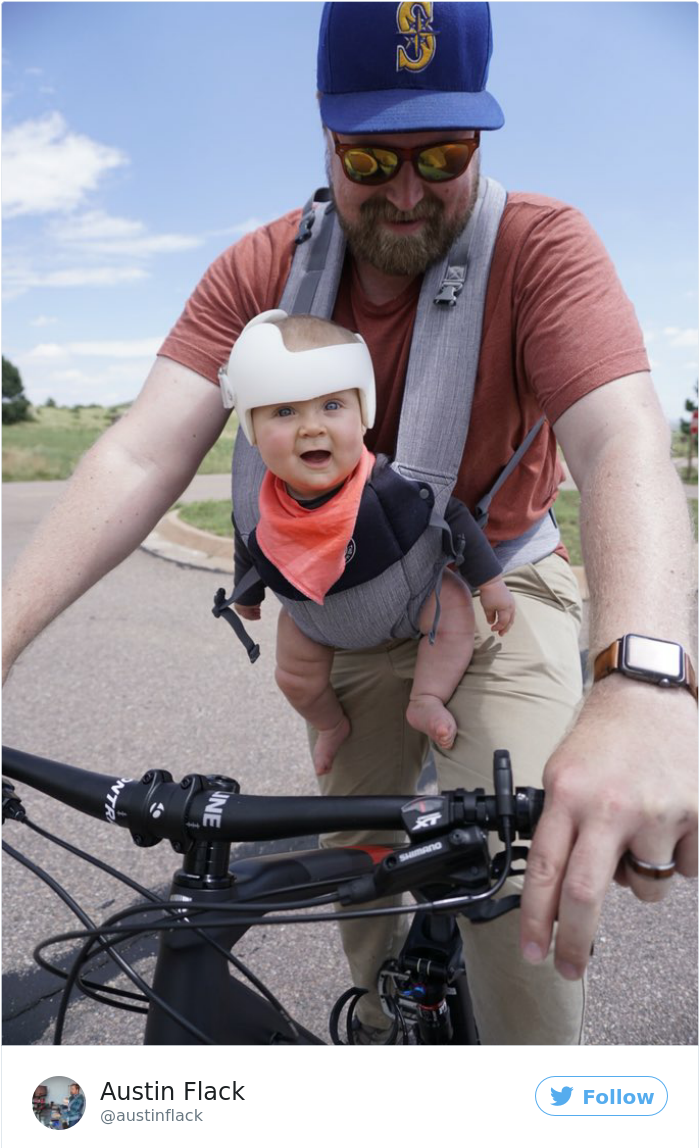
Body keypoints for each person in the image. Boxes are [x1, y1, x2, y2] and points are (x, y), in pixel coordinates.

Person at [2, 3, 696, 1044]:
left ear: (480, 137)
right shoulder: (259, 270)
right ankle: (378, 1032)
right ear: (325, 135)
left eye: (443, 151)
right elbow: (143, 451)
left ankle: (529, 1113)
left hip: (497, 584)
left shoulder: (544, 247)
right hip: (352, 598)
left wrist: (643, 680)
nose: (407, 189)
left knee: (512, 882)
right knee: (352, 858)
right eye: (371, 156)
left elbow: (620, 441)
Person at [225, 310, 515, 774]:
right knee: (294, 677)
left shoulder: (386, 487)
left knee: (455, 609)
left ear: (364, 415)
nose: (311, 427)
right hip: (314, 620)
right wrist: (249, 592)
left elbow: (450, 514)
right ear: (252, 430)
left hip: (410, 603)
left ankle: (425, 697)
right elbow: (250, 541)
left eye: (332, 406)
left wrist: (492, 583)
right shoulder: (261, 507)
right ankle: (331, 725)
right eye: (284, 411)